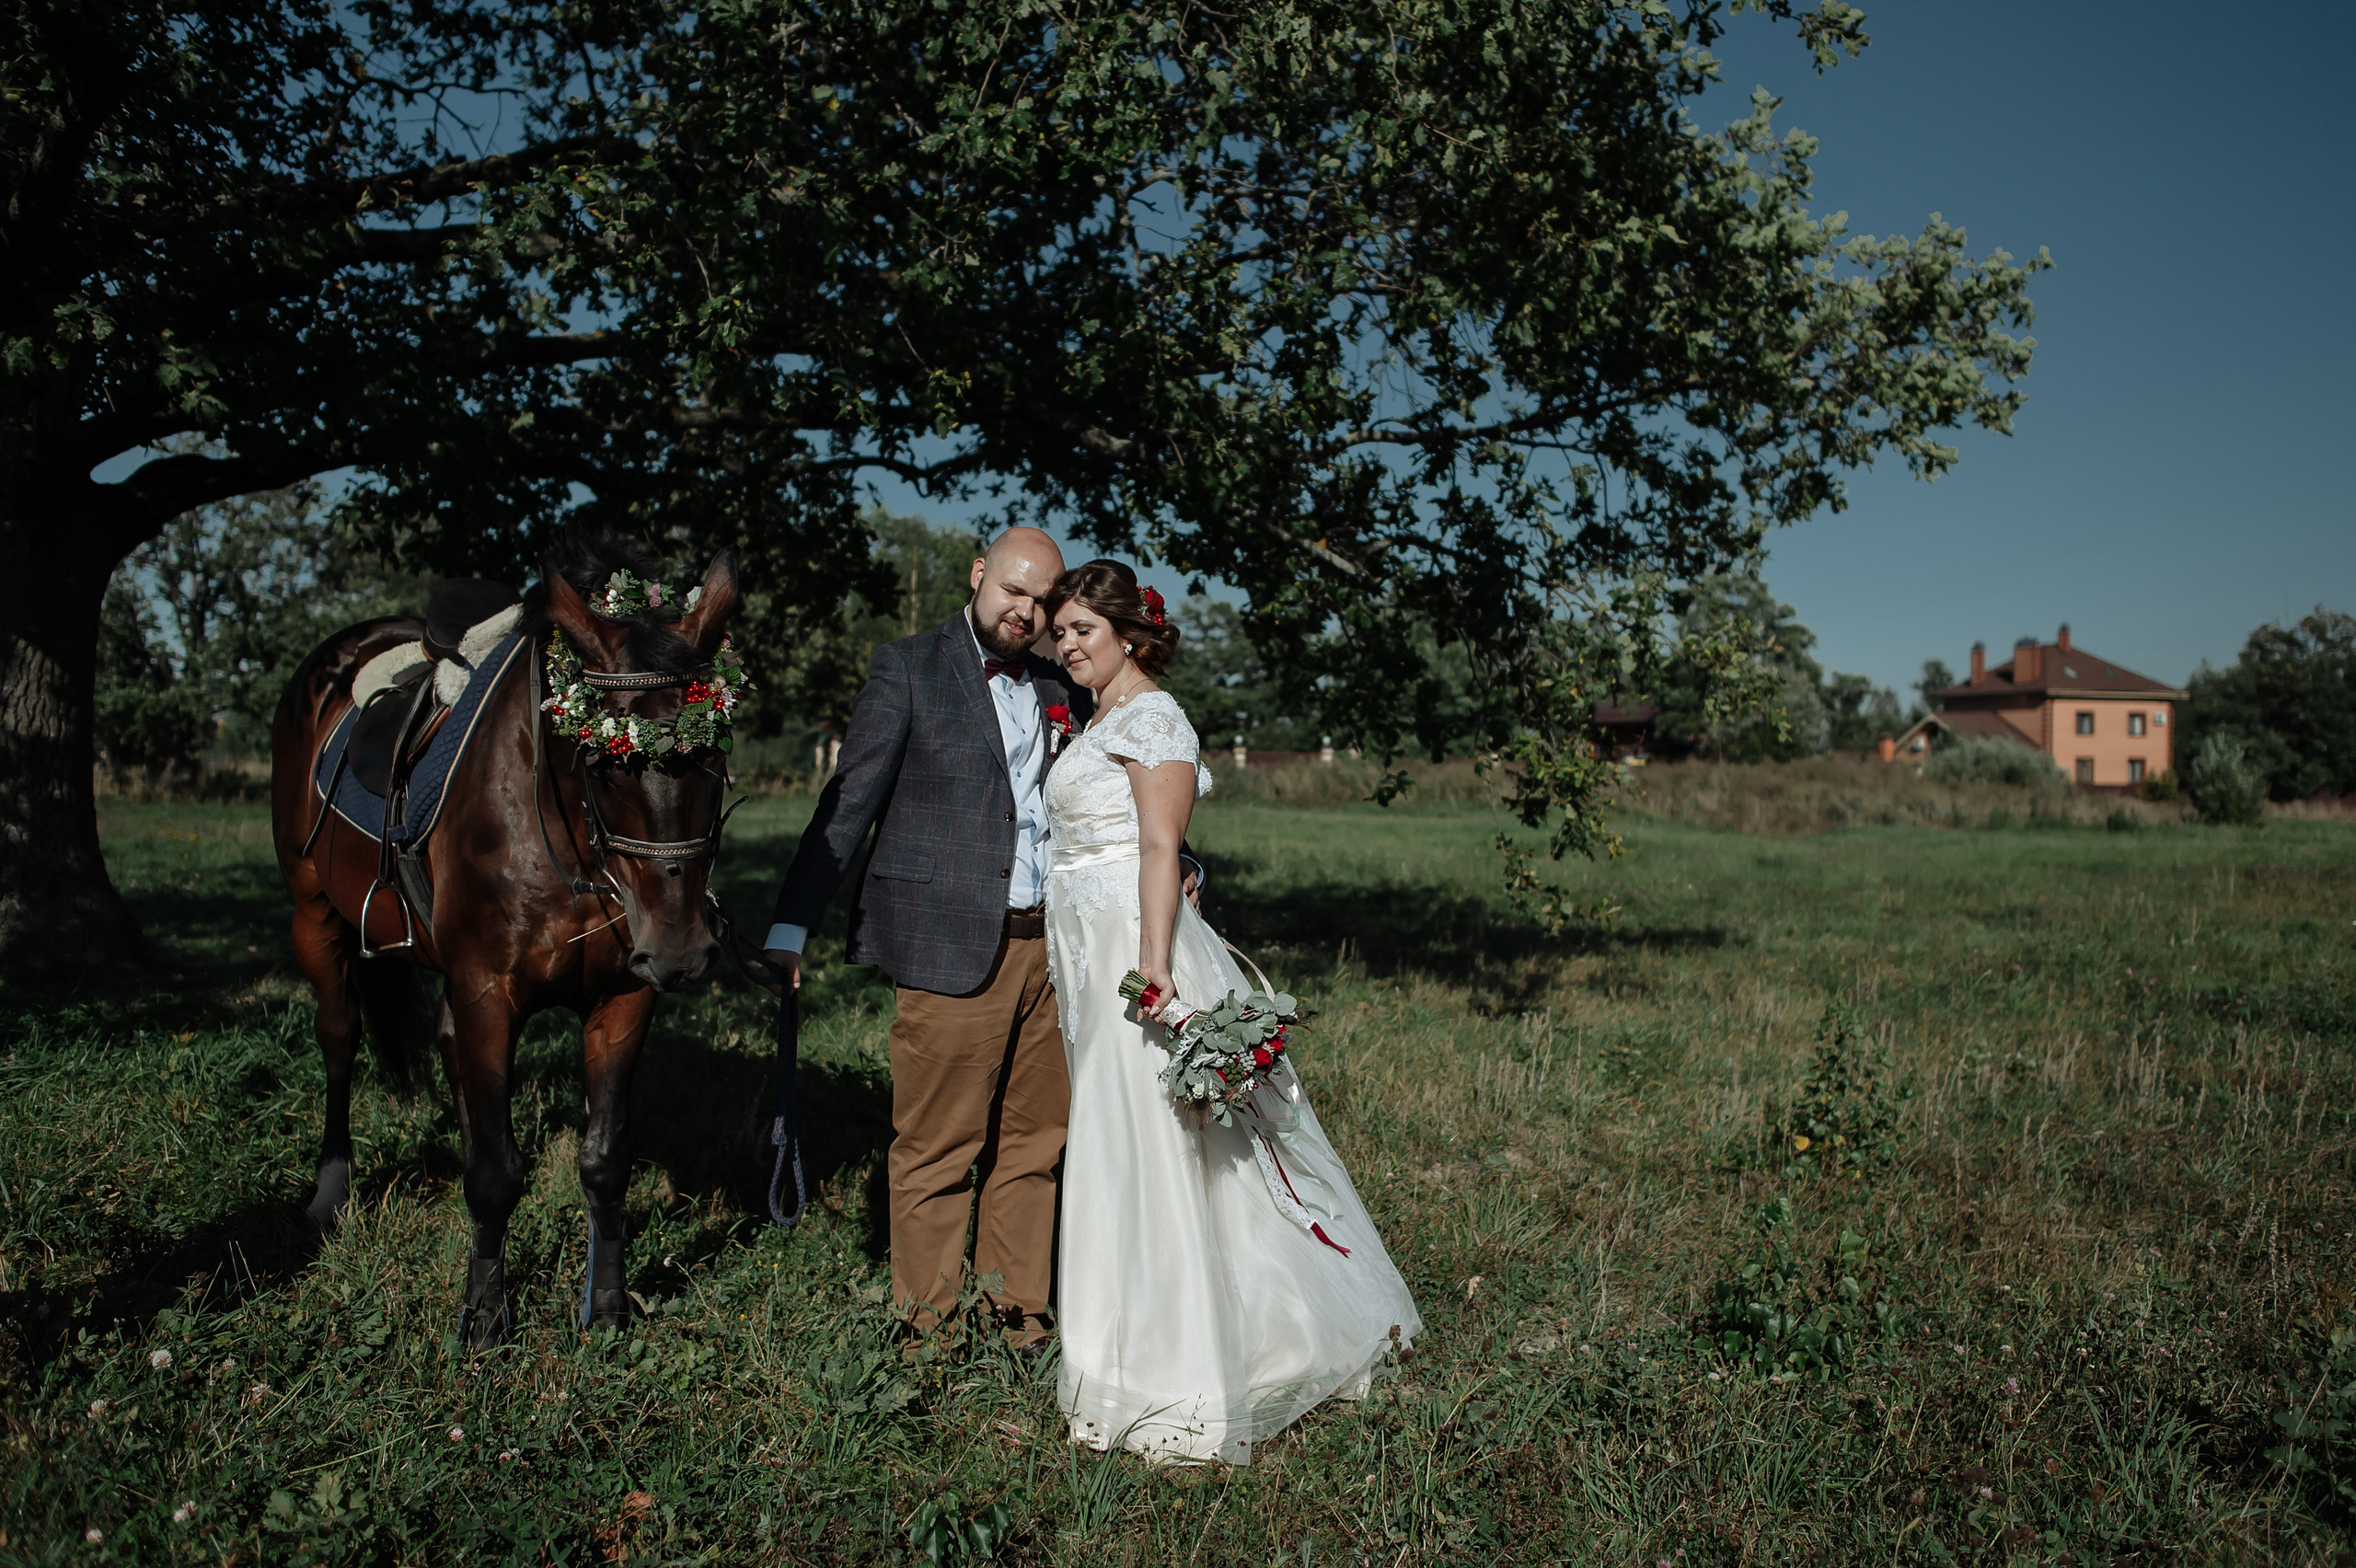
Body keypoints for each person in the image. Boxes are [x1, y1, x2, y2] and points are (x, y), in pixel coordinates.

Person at [760, 529, 1197, 1348]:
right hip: (948, 937)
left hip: (1062, 948)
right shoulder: (909, 667)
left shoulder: (1057, 680)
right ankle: (927, 1324)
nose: (1026, 613)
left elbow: (1128, 803)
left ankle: (1016, 1312)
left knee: (1037, 1141)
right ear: (978, 576)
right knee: (937, 1145)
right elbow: (847, 802)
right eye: (1013, 592)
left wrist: (1183, 866)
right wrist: (791, 927)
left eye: (1041, 601)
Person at [1039, 559, 1421, 1465]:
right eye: (1059, 634)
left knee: (1162, 1147)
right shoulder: (1096, 719)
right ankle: (1121, 1335)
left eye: (1082, 631)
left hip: (1136, 954)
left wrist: (1153, 966)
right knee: (1117, 1141)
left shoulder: (1155, 718)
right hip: (1084, 946)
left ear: (1128, 633)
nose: (1066, 647)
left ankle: (1182, 1362)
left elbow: (1163, 848)